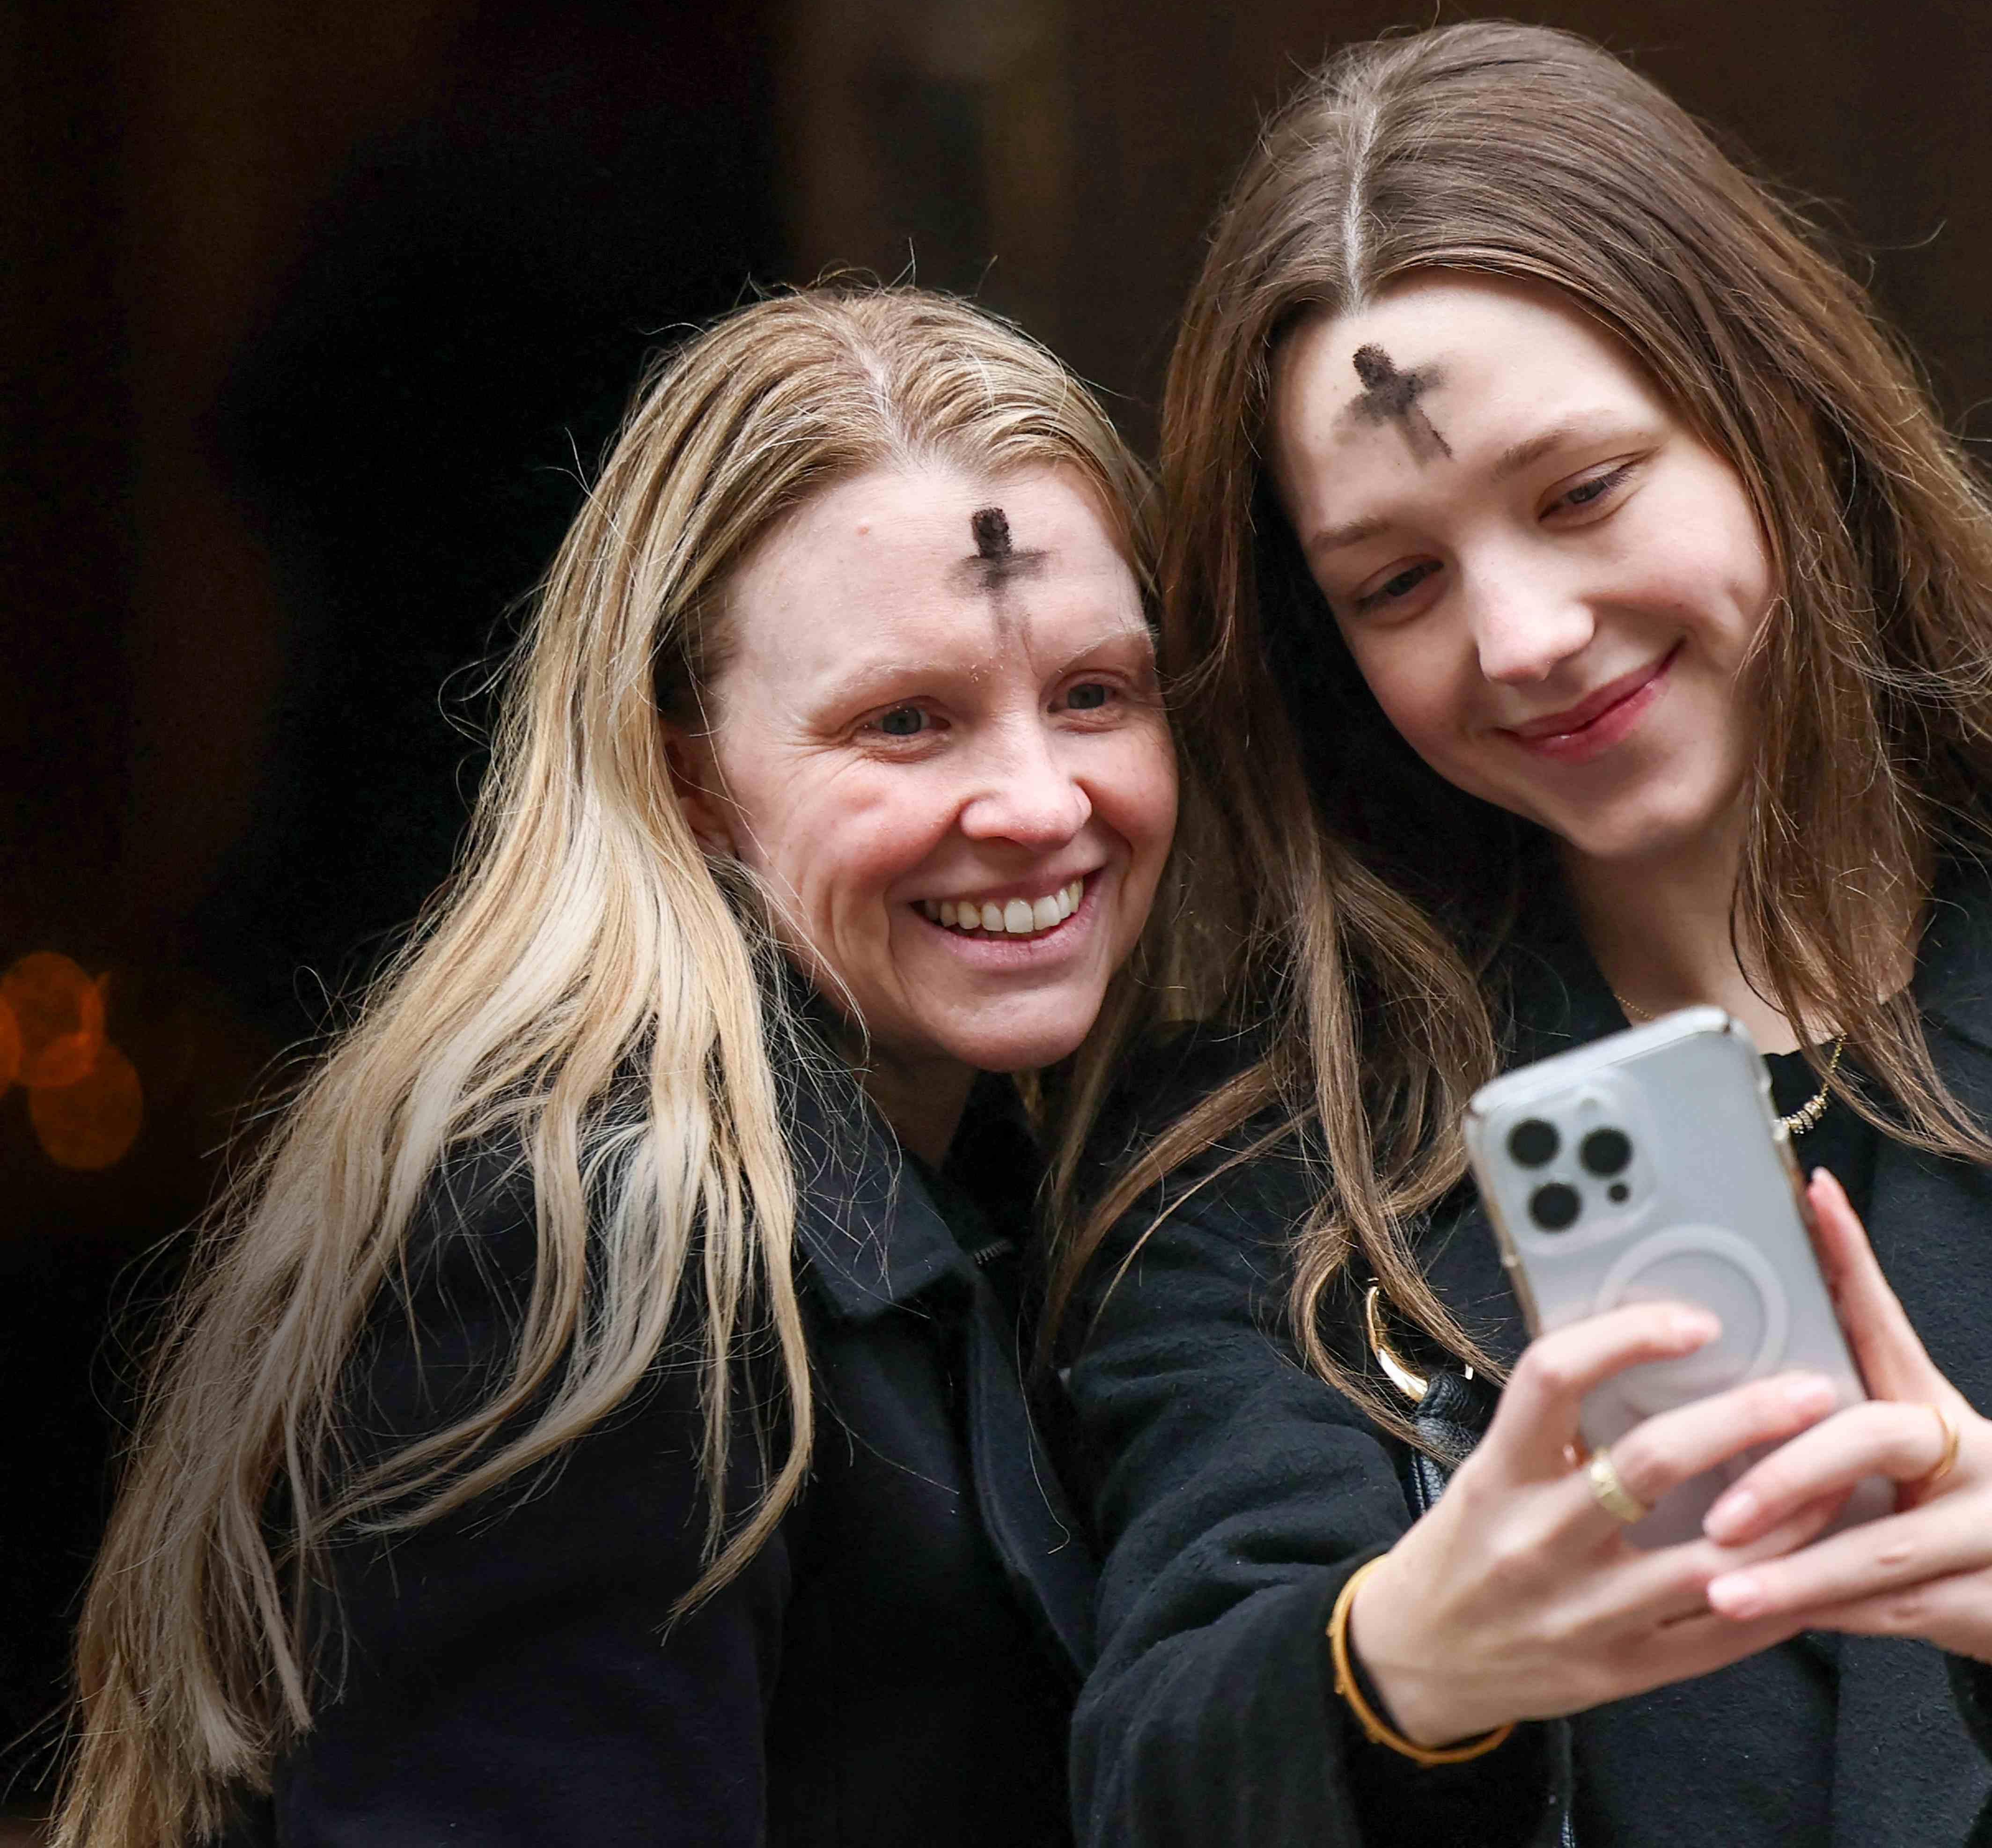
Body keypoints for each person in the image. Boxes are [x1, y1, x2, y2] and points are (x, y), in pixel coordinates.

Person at [1050, 22, 1992, 1848]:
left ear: (1779, 418)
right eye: (1399, 580)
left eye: (1583, 491)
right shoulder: (1256, 1156)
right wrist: (1414, 1655)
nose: (1522, 631)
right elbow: (1165, 1758)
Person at [60, 286, 1175, 1847]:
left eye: (1092, 695)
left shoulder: (1004, 1157)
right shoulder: (592, 1242)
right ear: (691, 777)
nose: (1040, 802)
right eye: (907, 720)